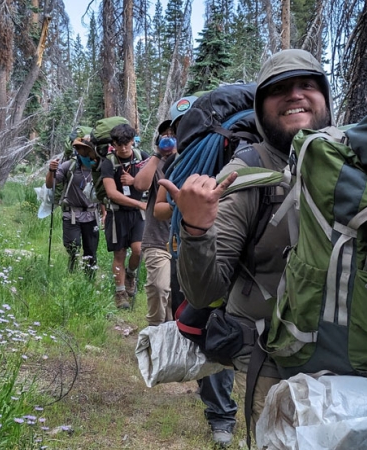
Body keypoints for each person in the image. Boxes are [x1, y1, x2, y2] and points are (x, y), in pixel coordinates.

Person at [159, 49, 334, 431]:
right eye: (279, 90)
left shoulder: (353, 159)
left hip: (349, 356)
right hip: (274, 360)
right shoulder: (246, 172)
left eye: (306, 84)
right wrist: (196, 229)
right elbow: (205, 292)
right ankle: (219, 415)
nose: (295, 95)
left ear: (325, 96)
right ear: (261, 108)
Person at [149, 96, 239, 448]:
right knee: (195, 326)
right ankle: (212, 395)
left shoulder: (235, 156)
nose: (178, 134)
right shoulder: (174, 167)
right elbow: (158, 207)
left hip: (219, 254)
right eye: (175, 128)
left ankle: (221, 416)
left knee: (217, 329)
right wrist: (184, 211)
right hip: (183, 252)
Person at [99, 123, 149, 309]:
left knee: (138, 250)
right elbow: (111, 193)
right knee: (119, 254)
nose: (124, 147)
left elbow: (153, 180)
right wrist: (139, 203)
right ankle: (120, 293)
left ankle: (131, 274)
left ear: (132, 141)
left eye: (127, 143)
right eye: (119, 144)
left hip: (137, 215)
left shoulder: (142, 157)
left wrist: (134, 181)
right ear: (114, 144)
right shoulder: (108, 163)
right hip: (117, 214)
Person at [45, 135, 104, 278]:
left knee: (91, 250)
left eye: (87, 150)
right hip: (71, 214)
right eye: (81, 149)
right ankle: (71, 269)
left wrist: (104, 213)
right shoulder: (69, 166)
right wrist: (51, 170)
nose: (84, 153)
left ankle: (89, 278)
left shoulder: (100, 168)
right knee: (73, 245)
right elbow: (49, 184)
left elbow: (103, 192)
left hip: (91, 214)